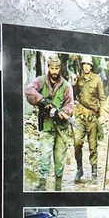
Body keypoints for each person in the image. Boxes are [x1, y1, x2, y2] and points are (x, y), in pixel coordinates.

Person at [25, 54, 74, 190]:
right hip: (47, 125)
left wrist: (62, 112)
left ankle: (58, 187)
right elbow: (29, 90)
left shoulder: (66, 86)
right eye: (52, 68)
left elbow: (70, 105)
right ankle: (42, 186)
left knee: (59, 159)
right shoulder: (40, 81)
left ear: (60, 68)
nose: (54, 71)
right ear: (48, 67)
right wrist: (42, 100)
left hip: (61, 128)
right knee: (44, 156)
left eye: (57, 68)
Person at [72, 58, 105, 183]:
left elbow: (102, 98)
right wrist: (74, 84)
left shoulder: (97, 79)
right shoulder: (78, 79)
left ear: (91, 66)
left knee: (93, 146)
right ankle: (79, 169)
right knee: (77, 142)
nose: (86, 66)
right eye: (84, 64)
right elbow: (73, 95)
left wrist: (102, 115)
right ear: (82, 66)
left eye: (88, 64)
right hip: (80, 116)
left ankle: (94, 172)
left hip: (92, 117)